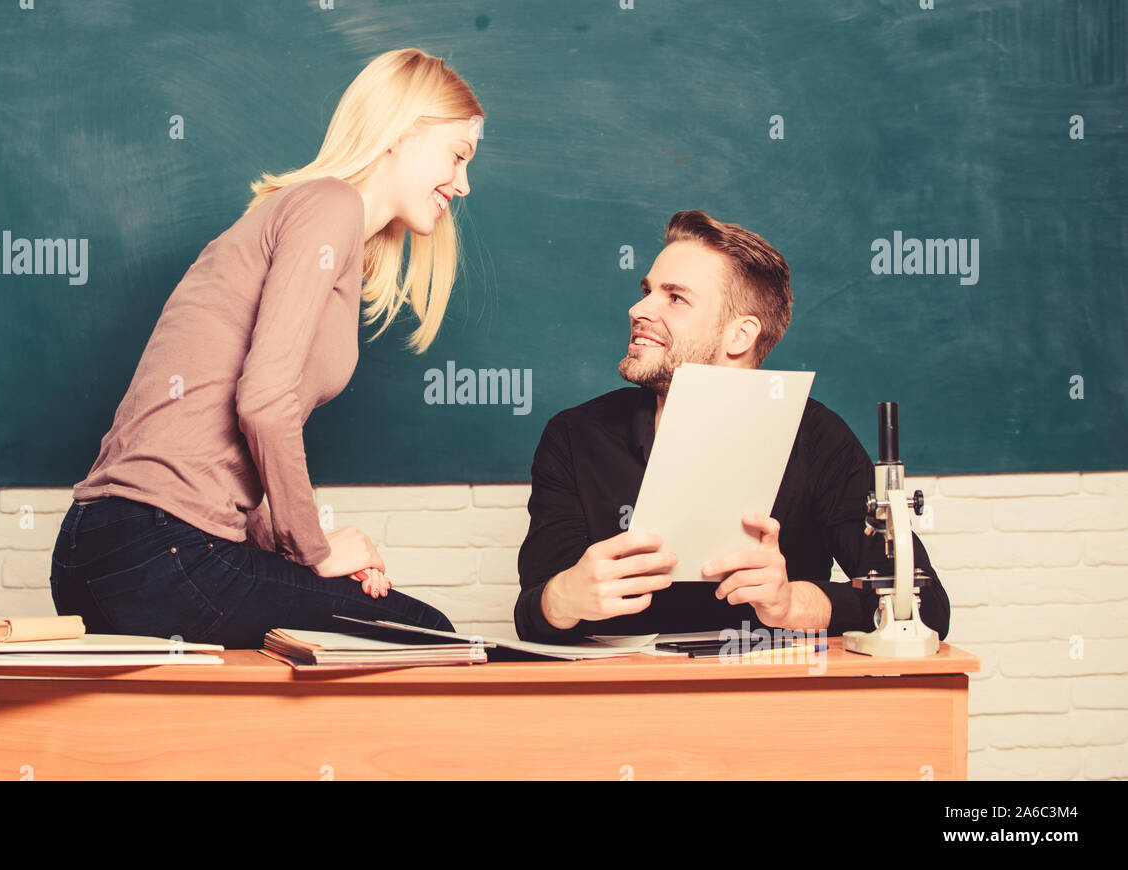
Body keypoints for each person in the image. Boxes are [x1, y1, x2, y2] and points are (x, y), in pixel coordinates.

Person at [51, 48, 483, 647]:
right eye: (458, 156)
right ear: (403, 131)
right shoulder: (330, 204)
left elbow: (239, 437)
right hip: (157, 549)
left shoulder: (320, 225)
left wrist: (302, 555)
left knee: (324, 646)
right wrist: (316, 546)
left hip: (106, 549)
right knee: (427, 634)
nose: (463, 184)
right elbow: (262, 402)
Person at [513, 210, 951, 644]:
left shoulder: (816, 437)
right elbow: (532, 617)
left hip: (770, 702)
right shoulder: (575, 436)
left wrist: (790, 604)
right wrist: (564, 598)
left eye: (675, 297)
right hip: (621, 704)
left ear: (739, 336)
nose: (638, 308)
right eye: (647, 291)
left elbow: (926, 607)